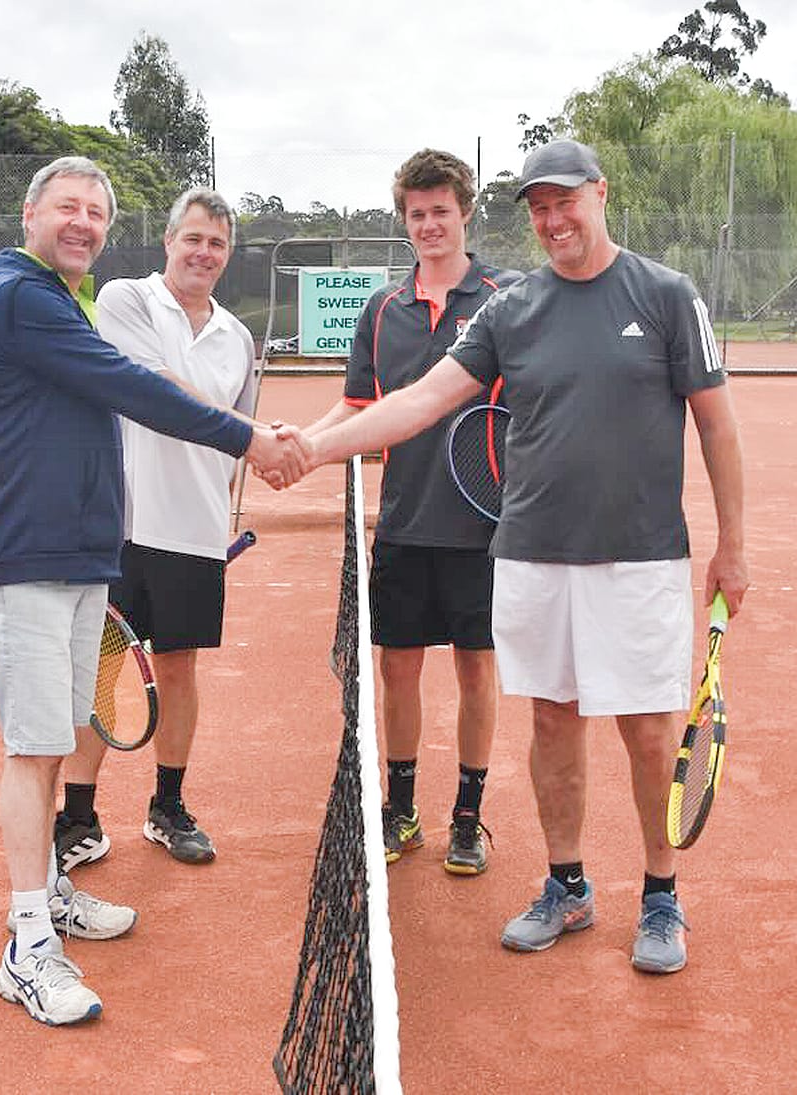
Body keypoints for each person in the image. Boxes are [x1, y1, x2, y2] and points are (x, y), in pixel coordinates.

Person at [292, 139, 748, 974]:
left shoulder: (668, 296)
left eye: (564, 201)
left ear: (600, 195)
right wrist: (315, 451)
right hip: (532, 554)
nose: (551, 220)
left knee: (648, 734)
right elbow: (421, 400)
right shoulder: (508, 311)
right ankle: (567, 883)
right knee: (551, 720)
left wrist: (734, 544)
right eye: (538, 207)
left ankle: (659, 894)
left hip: (640, 558)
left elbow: (716, 423)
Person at [0, 156, 307, 1026]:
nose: (82, 222)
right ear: (29, 212)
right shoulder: (18, 297)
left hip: (80, 555)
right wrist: (253, 437)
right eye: (66, 207)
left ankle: (53, 888)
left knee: (66, 727)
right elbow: (136, 389)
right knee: (35, 750)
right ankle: (28, 944)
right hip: (30, 555)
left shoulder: (61, 296)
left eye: (96, 213)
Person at [306, 149, 521, 876]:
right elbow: (359, 405)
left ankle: (468, 813)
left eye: (441, 211)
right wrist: (302, 443)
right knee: (396, 669)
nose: (429, 225)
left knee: (475, 671)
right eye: (417, 214)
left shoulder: (506, 297)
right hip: (401, 523)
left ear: (465, 213)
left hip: (484, 528)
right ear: (405, 221)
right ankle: (401, 810)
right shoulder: (381, 310)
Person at [55, 188, 254, 871]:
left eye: (217, 244)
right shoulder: (127, 299)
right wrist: (255, 436)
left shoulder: (240, 338)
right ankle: (77, 816)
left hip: (194, 536)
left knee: (178, 668)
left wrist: (212, 505)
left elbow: (233, 451)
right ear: (168, 241)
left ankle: (167, 807)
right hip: (121, 526)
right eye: (193, 238)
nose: (204, 253)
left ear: (228, 255)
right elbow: (155, 384)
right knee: (101, 667)